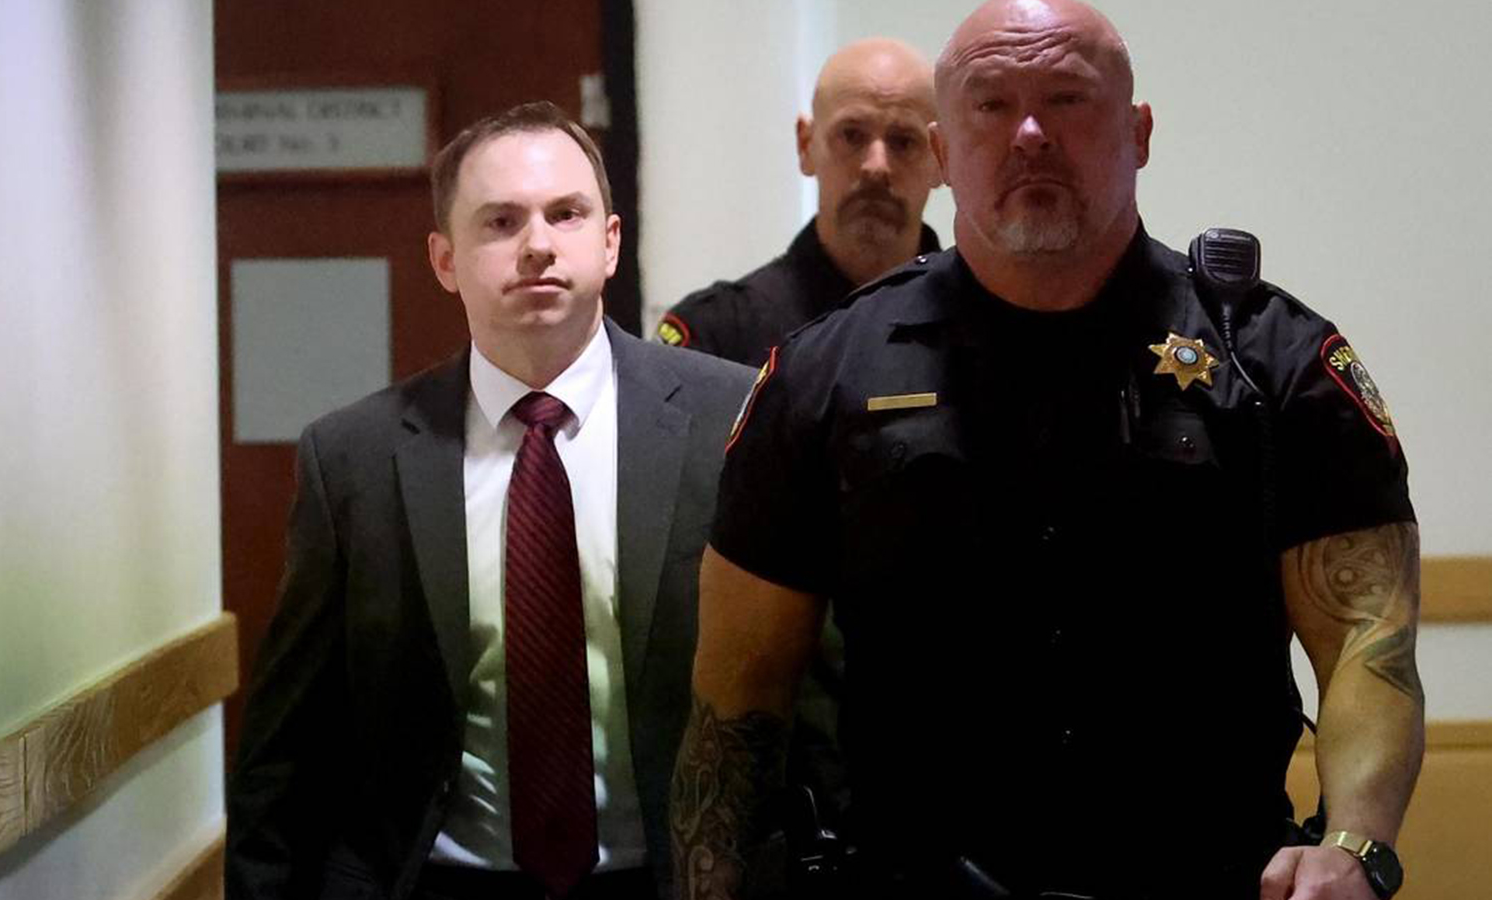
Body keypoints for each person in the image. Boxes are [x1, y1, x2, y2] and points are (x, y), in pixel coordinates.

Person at [669, 2, 1423, 899]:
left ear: (1139, 133)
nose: (1029, 133)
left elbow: (1369, 642)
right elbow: (736, 704)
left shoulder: (1269, 362)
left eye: (1067, 99)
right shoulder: (825, 375)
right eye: (990, 105)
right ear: (943, 152)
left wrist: (1355, 843)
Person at [226, 101, 754, 900]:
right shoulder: (354, 459)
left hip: (672, 876)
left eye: (566, 214)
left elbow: (807, 692)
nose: (538, 244)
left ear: (611, 242)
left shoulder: (732, 420)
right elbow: (288, 745)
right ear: (446, 260)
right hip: (442, 880)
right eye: (501, 222)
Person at [655, 38, 944, 368]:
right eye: (851, 135)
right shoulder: (718, 336)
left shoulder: (983, 321)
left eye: (904, 142)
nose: (876, 166)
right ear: (806, 146)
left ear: (941, 157)